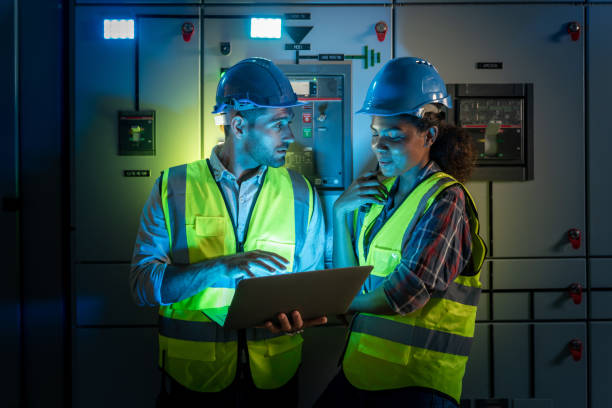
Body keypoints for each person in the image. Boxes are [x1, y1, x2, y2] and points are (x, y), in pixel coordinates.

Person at [129, 57, 326, 407]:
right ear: (238, 126)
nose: (290, 136)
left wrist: (298, 319)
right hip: (194, 379)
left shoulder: (301, 193)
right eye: (278, 124)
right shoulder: (173, 186)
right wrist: (221, 267)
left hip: (274, 379)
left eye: (289, 123)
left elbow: (311, 284)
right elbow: (142, 286)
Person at [316, 57, 487, 407]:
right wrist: (340, 213)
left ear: (429, 134)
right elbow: (353, 280)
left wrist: (330, 305)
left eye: (394, 136)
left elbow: (405, 294)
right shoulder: (380, 194)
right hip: (363, 372)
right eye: (376, 134)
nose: (379, 146)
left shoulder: (446, 200)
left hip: (417, 385)